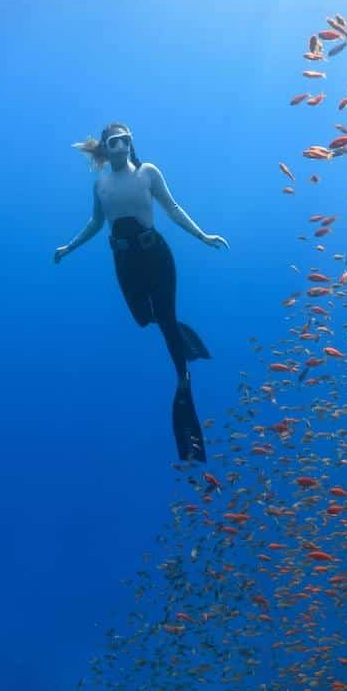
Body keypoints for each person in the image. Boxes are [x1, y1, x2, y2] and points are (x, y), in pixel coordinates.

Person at [54, 123, 229, 461]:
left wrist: (203, 236)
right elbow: (94, 224)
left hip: (156, 255)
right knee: (142, 319)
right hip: (124, 261)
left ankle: (182, 377)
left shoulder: (147, 172)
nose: (120, 144)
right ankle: (175, 330)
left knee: (164, 318)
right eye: (113, 140)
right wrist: (68, 247)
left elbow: (172, 208)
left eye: (125, 139)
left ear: (131, 144)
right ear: (105, 147)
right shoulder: (100, 184)